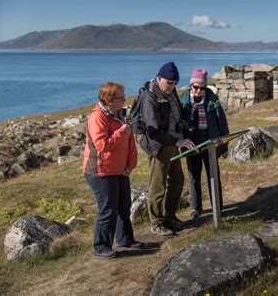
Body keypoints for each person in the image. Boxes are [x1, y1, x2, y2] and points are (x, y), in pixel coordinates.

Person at [83, 82, 141, 259]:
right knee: (107, 209)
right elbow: (102, 145)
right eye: (121, 97)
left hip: (119, 169)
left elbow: (130, 141)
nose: (124, 99)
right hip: (100, 171)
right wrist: (120, 133)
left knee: (124, 206)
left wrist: (131, 164)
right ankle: (101, 247)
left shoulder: (120, 115)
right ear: (108, 100)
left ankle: (125, 239)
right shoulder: (97, 117)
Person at [138, 62, 195, 236]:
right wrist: (176, 142)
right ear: (159, 78)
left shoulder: (171, 92)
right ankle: (156, 223)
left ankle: (170, 217)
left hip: (173, 143)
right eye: (169, 82)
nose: (172, 86)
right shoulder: (149, 97)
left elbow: (176, 115)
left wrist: (182, 134)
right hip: (159, 147)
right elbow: (153, 130)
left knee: (177, 180)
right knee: (158, 185)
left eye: (175, 83)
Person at [179, 69, 230, 218]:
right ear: (191, 85)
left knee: (213, 175)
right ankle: (196, 208)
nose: (199, 91)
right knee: (194, 176)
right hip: (192, 145)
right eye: (196, 87)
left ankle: (217, 207)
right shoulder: (183, 101)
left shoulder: (212, 100)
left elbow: (222, 124)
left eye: (202, 88)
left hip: (210, 144)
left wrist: (224, 147)